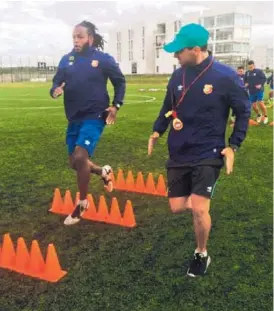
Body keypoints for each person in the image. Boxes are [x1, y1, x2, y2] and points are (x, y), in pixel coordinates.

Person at [148, 23, 250, 277]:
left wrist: (233, 145)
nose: (175, 55)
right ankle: (199, 207)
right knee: (176, 206)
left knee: (199, 208)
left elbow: (243, 111)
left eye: (179, 51)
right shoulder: (177, 75)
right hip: (179, 151)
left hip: (209, 151)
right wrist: (157, 130)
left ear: (196, 49)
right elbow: (167, 107)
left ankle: (201, 253)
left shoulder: (225, 77)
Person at [50, 21, 126, 226]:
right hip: (74, 117)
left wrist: (116, 105)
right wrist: (55, 90)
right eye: (74, 36)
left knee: (81, 155)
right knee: (74, 162)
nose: (76, 40)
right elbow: (56, 81)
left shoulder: (102, 59)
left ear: (90, 38)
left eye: (80, 36)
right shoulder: (67, 60)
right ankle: (103, 171)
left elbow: (120, 81)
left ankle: (82, 203)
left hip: (95, 115)